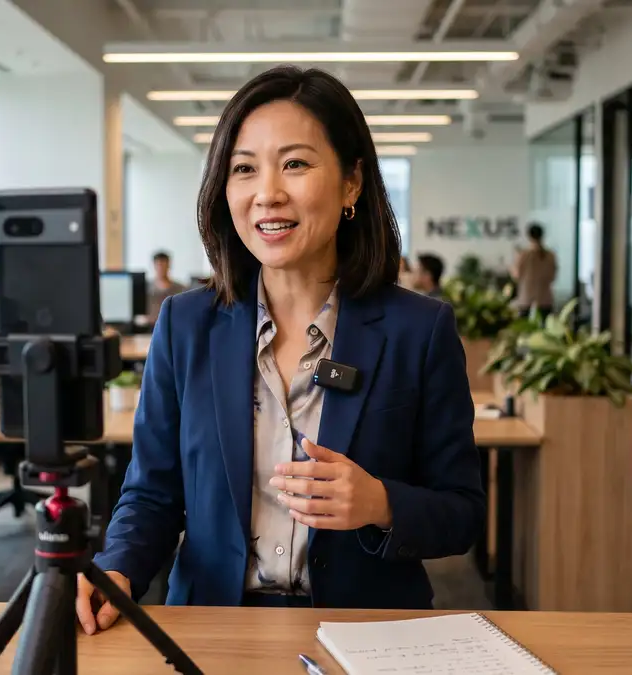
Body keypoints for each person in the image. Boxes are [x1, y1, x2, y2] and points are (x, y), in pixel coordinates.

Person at [77, 65, 484, 633]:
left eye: (295, 164)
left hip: (367, 632)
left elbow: (463, 511)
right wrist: (117, 568)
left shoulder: (419, 329)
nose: (267, 193)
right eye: (244, 169)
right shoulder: (186, 325)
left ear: (351, 183)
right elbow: (151, 492)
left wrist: (379, 503)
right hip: (213, 631)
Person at [511, 224, 557, 316]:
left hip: (527, 299)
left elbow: (516, 275)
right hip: (545, 299)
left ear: (529, 236)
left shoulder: (524, 255)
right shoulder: (550, 255)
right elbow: (552, 277)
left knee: (525, 329)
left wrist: (511, 269)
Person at [146, 251, 187, 323]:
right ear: (154, 266)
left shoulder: (181, 288)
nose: (161, 268)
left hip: (173, 324)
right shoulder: (146, 288)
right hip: (150, 326)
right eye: (158, 265)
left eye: (163, 265)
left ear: (169, 265)